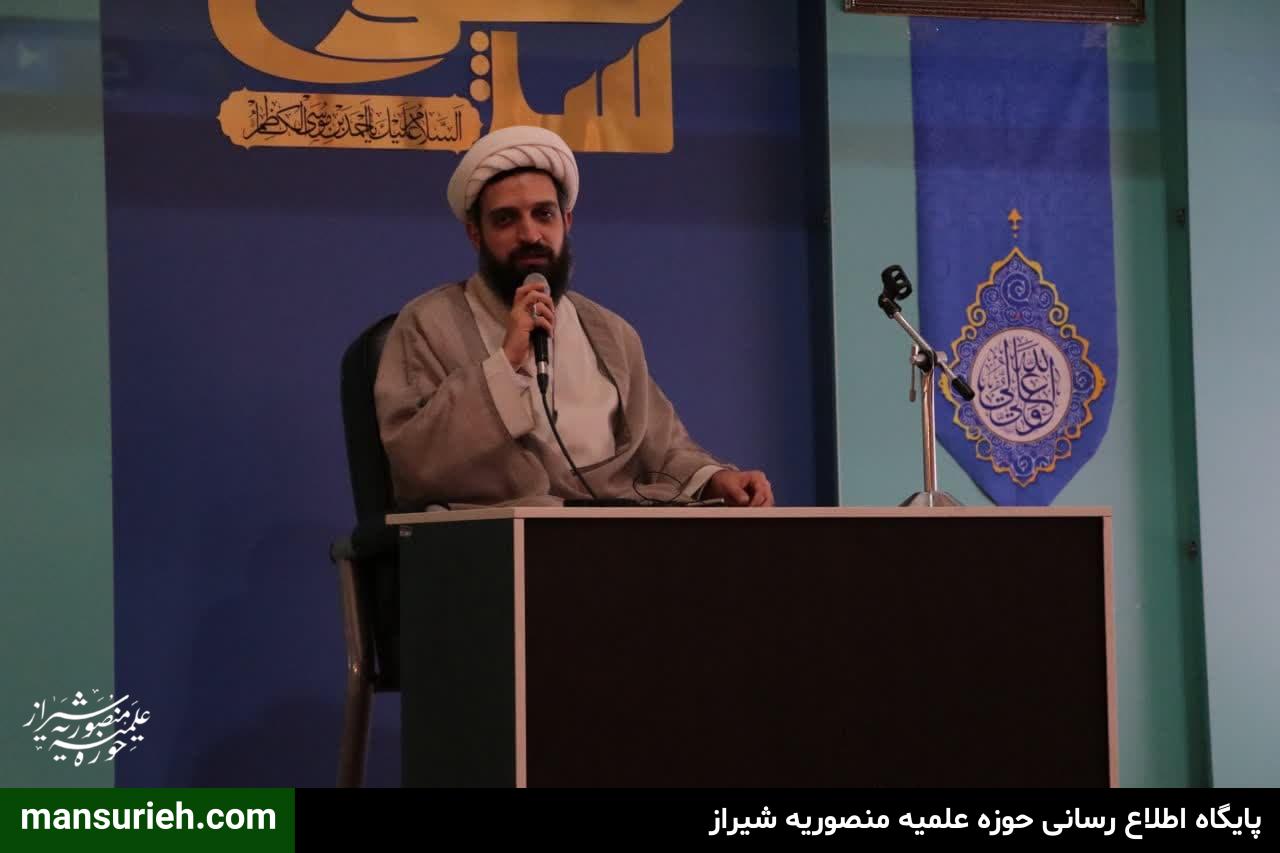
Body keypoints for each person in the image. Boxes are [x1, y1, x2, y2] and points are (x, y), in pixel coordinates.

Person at [373, 125, 773, 510]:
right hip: (496, 538)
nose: (530, 235)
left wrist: (714, 479)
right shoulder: (427, 325)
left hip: (612, 532)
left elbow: (663, 447)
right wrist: (505, 363)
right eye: (506, 219)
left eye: (543, 214)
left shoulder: (611, 334)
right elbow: (413, 464)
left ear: (566, 222)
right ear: (475, 234)